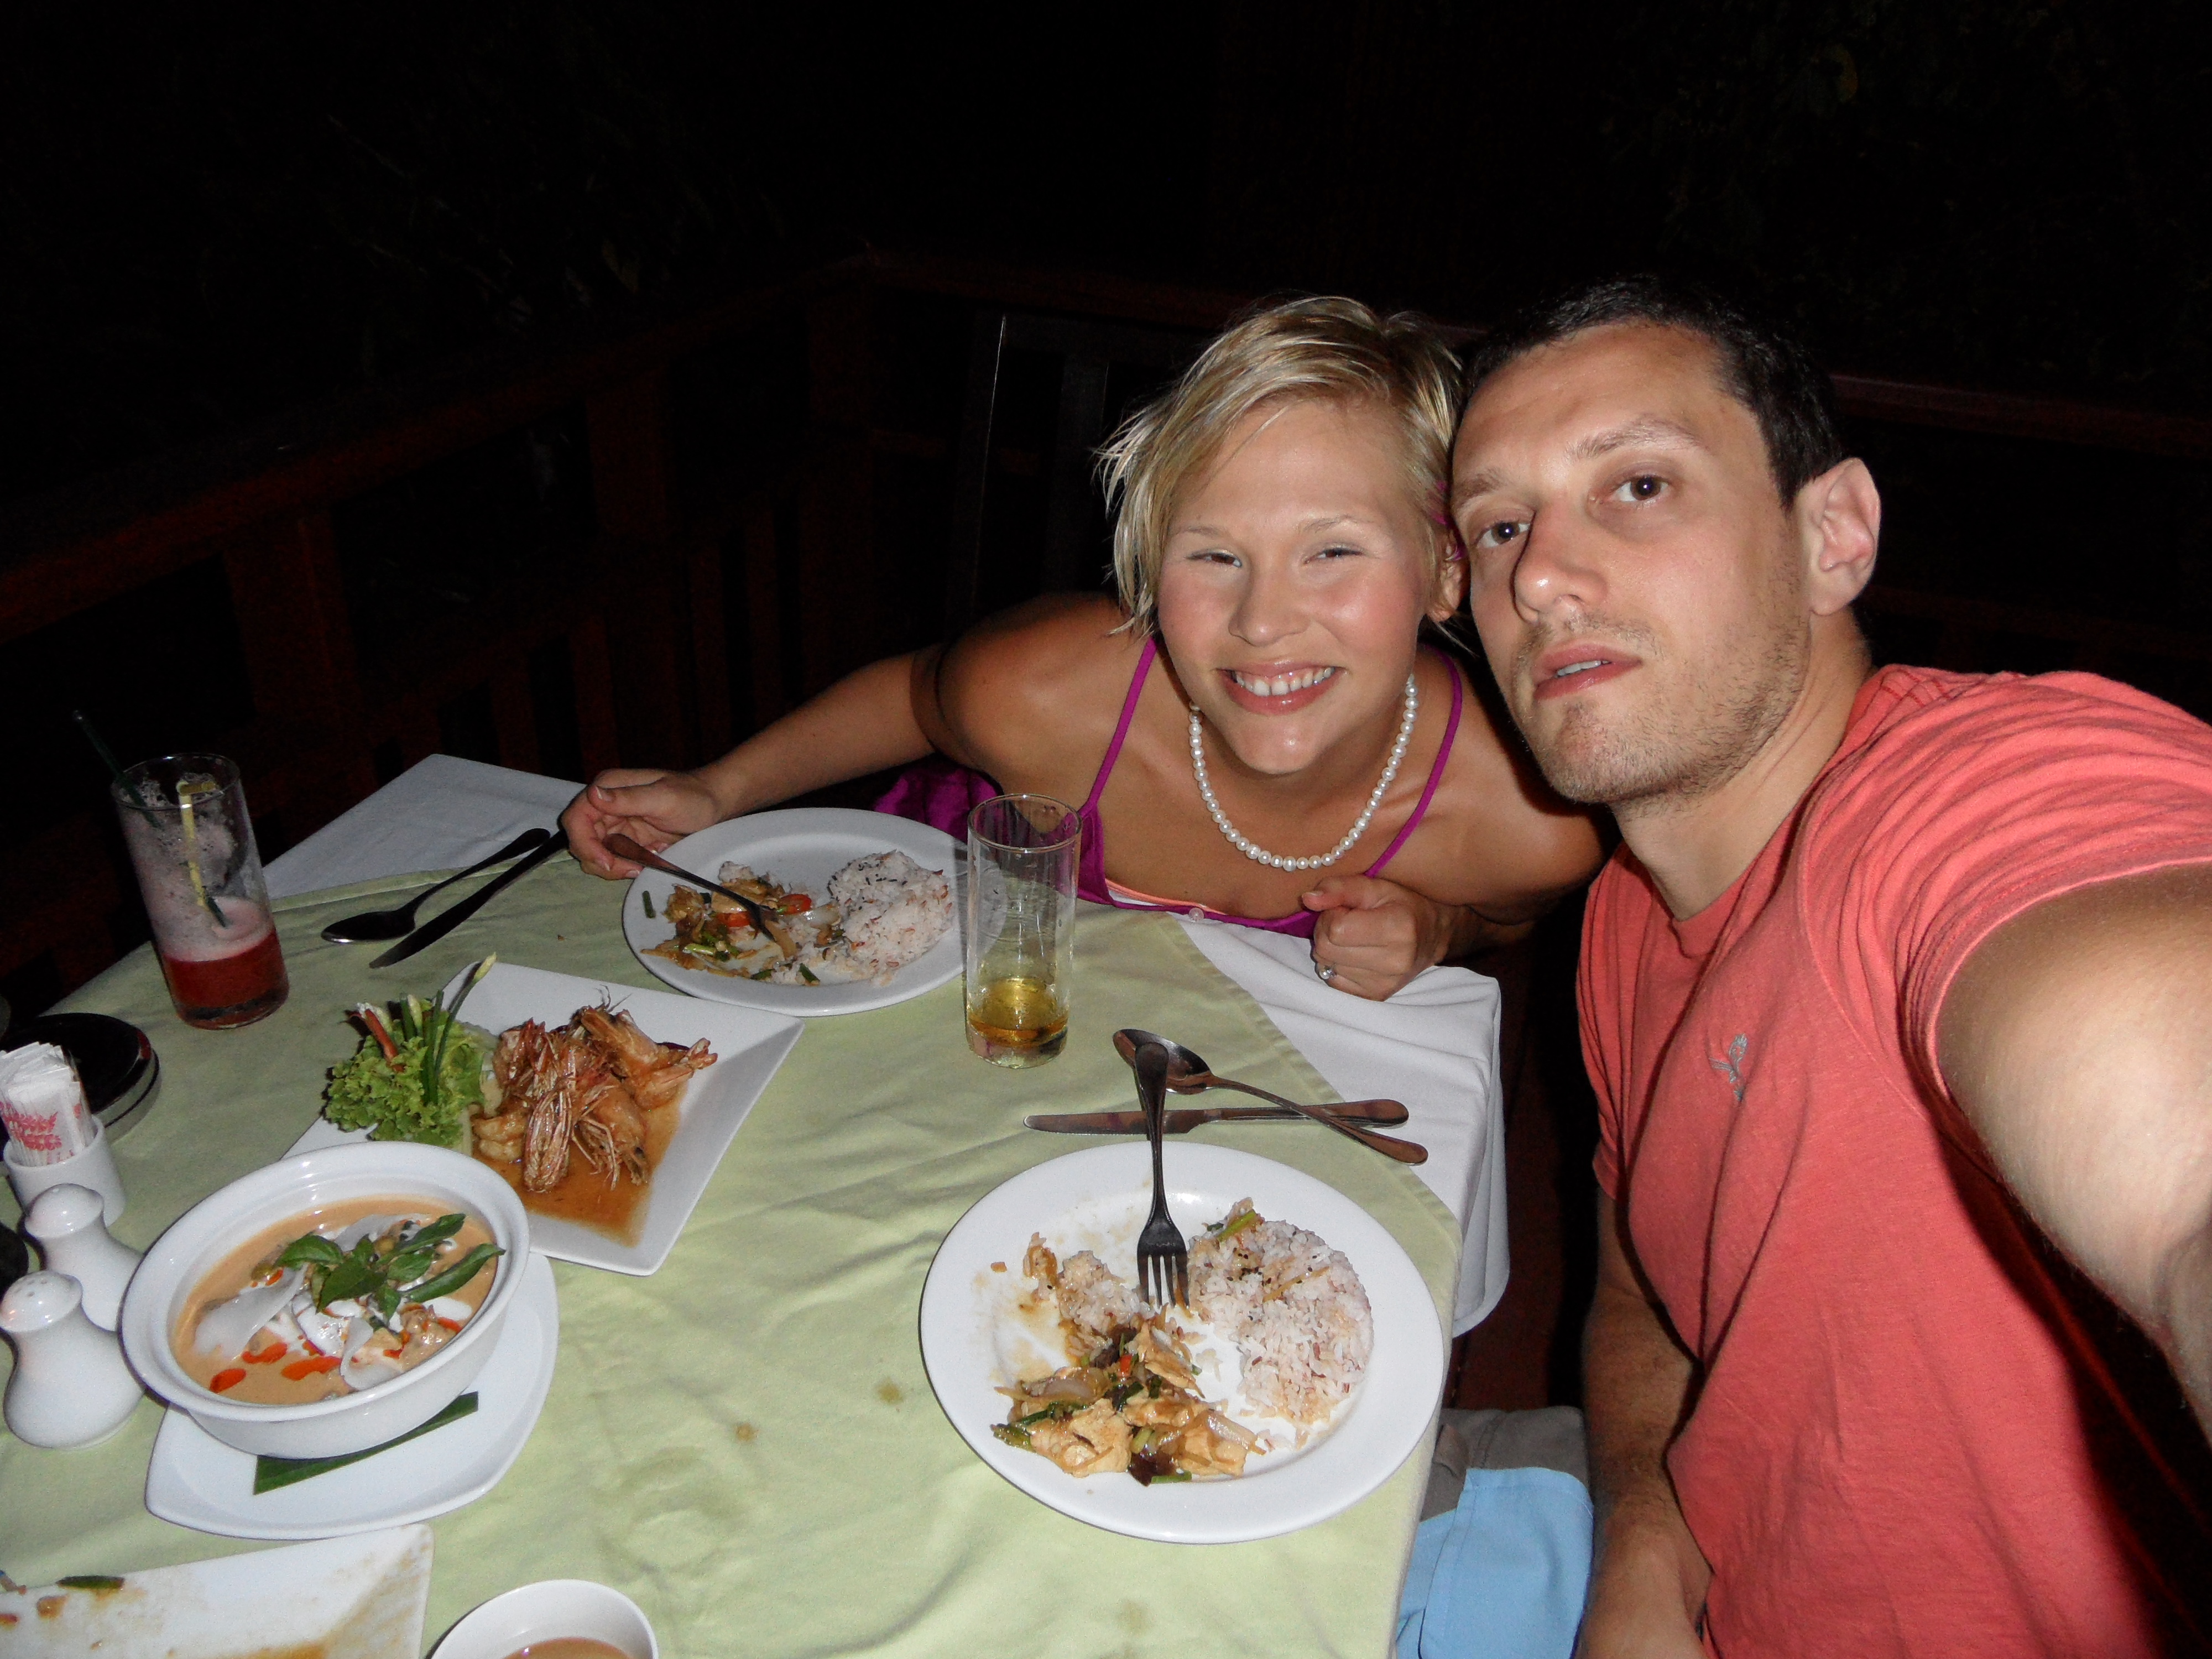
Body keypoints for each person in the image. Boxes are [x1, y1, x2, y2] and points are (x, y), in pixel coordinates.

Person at [1451, 277, 2212, 1655]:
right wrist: (1646, 1550)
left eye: (1636, 486)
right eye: (1500, 524)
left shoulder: (1955, 803)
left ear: (1832, 536)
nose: (1537, 576)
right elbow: (1645, 1294)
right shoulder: (1623, 915)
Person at [564, 297, 1602, 999]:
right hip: (934, 974)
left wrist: (1439, 932)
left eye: (1332, 550)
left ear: (1447, 569)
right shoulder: (1041, 688)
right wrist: (718, 789)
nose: (1261, 621)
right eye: (1213, 556)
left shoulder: (1532, 819)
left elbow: (1506, 920)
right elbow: (915, 697)